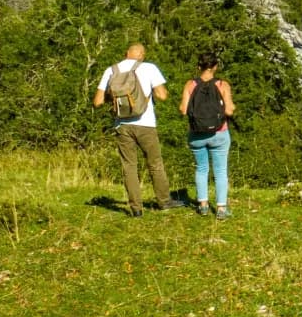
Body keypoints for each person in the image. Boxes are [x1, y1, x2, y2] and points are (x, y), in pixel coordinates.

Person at [93, 43, 182, 217]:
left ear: (126, 53)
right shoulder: (149, 67)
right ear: (141, 55)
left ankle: (136, 208)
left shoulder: (111, 70)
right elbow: (162, 96)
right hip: (146, 123)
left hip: (122, 125)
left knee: (129, 166)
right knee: (155, 163)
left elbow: (97, 102)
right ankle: (164, 201)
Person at [179, 52, 237, 219]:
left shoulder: (190, 84)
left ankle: (203, 205)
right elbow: (229, 110)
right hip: (219, 133)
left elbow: (183, 110)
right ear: (215, 67)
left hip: (196, 134)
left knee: (201, 168)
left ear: (199, 67)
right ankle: (220, 208)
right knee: (220, 171)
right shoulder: (222, 85)